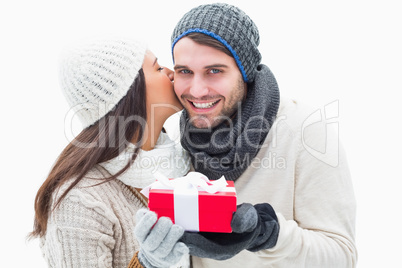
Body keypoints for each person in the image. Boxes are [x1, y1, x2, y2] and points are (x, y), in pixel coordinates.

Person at [169, 3, 357, 267]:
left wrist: (269, 235)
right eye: (185, 72)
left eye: (215, 71)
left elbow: (341, 257)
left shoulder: (304, 131)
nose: (197, 91)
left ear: (244, 72)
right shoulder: (180, 143)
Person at [29, 38, 192, 267]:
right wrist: (147, 263)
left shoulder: (184, 167)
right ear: (130, 94)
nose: (171, 72)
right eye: (157, 68)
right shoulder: (80, 200)